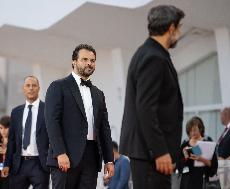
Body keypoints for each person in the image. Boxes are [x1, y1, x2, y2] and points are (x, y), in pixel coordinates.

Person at [119, 5, 185, 189]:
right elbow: (146, 109)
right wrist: (160, 151)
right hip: (152, 156)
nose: (179, 33)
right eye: (179, 28)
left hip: (148, 153)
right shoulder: (154, 57)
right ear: (171, 28)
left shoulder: (147, 53)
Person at [45, 44, 114, 189]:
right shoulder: (58, 86)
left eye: (93, 60)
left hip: (91, 157)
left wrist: (109, 160)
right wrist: (60, 153)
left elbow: (104, 128)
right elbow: (52, 122)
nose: (89, 63)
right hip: (65, 155)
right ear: (74, 62)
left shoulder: (98, 94)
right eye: (84, 59)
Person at [2, 76, 50, 189]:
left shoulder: (47, 109)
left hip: (40, 164)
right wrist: (7, 164)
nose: (31, 88)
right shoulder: (16, 112)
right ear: (23, 89)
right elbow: (12, 141)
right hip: (19, 164)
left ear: (39, 88)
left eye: (34, 85)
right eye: (28, 85)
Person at [176, 116, 218, 189]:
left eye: (194, 130)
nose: (192, 133)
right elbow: (179, 166)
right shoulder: (185, 145)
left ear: (200, 129)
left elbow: (214, 166)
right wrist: (186, 157)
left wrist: (201, 159)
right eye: (190, 130)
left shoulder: (207, 143)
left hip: (202, 181)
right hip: (187, 182)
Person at [0, 116, 10, 188]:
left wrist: (6, 151)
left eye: (6, 128)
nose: (3, 131)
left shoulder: (16, 141)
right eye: (1, 128)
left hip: (10, 175)